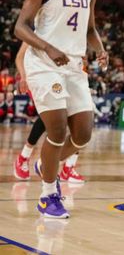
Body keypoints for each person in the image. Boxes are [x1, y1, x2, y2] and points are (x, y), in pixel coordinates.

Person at [14, 0, 107, 219]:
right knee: (55, 130)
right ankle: (47, 196)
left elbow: (90, 29)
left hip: (73, 65)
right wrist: (48, 48)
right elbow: (20, 27)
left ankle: (48, 164)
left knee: (84, 133)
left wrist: (101, 50)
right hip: (44, 64)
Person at [13, 43, 85, 184]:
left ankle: (68, 167)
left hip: (64, 76)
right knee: (52, 117)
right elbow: (19, 57)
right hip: (40, 78)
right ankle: (23, 157)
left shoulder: (67, 31)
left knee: (77, 117)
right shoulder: (36, 31)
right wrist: (23, 77)